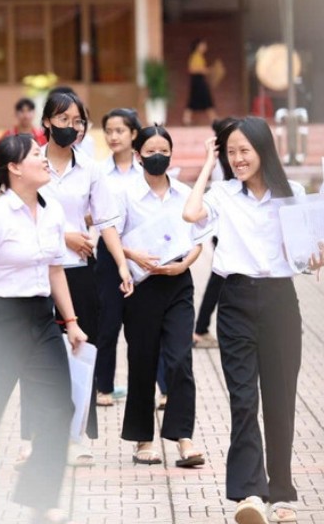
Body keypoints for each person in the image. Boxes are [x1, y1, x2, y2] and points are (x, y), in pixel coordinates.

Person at [183, 116, 324, 524]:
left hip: (281, 300)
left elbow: (305, 254)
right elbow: (190, 213)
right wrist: (209, 166)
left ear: (264, 150)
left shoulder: (293, 194)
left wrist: (318, 256)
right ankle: (250, 492)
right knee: (243, 399)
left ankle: (282, 489)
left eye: (244, 150)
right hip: (235, 302)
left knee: (279, 399)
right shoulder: (223, 193)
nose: (238, 158)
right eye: (231, 151)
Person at [0, 133, 84, 524]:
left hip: (41, 322)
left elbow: (55, 269)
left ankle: (41, 501)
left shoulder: (52, 212)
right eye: (35, 155)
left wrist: (73, 322)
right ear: (13, 168)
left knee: (60, 407)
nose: (45, 160)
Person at [29, 90, 134, 466]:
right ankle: (35, 438)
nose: (71, 128)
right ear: (46, 123)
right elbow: (21, 218)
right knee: (38, 357)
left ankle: (78, 436)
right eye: (63, 120)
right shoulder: (31, 163)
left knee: (81, 352)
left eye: (78, 121)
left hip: (79, 274)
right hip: (37, 275)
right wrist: (65, 236)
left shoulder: (90, 168)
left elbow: (106, 221)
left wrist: (121, 264)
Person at [119, 125, 209, 467]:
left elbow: (201, 236)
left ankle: (184, 438)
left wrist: (185, 263)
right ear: (138, 154)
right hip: (141, 287)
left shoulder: (186, 192)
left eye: (164, 151)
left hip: (177, 284)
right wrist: (133, 257)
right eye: (151, 151)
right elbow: (109, 238)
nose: (158, 156)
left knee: (179, 359)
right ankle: (143, 440)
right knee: (142, 361)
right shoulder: (125, 194)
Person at [94, 108, 143, 407]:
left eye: (120, 131)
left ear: (134, 134)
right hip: (108, 255)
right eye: (109, 131)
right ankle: (104, 387)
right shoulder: (98, 172)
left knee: (143, 325)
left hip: (144, 254)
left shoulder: (147, 170)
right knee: (108, 323)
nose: (113, 136)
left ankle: (155, 388)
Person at [193, 117, 238, 349]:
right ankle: (200, 328)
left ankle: (201, 327)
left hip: (225, 226)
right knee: (219, 277)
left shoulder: (225, 159)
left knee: (220, 278)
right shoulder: (222, 163)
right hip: (223, 226)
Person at [183, 38, 217, 126]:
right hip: (197, 81)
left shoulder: (199, 56)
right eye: (203, 45)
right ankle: (214, 119)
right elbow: (192, 69)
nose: (205, 47)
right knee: (206, 98)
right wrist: (205, 70)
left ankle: (186, 119)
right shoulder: (196, 56)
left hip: (199, 80)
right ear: (198, 46)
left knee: (195, 100)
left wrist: (207, 70)